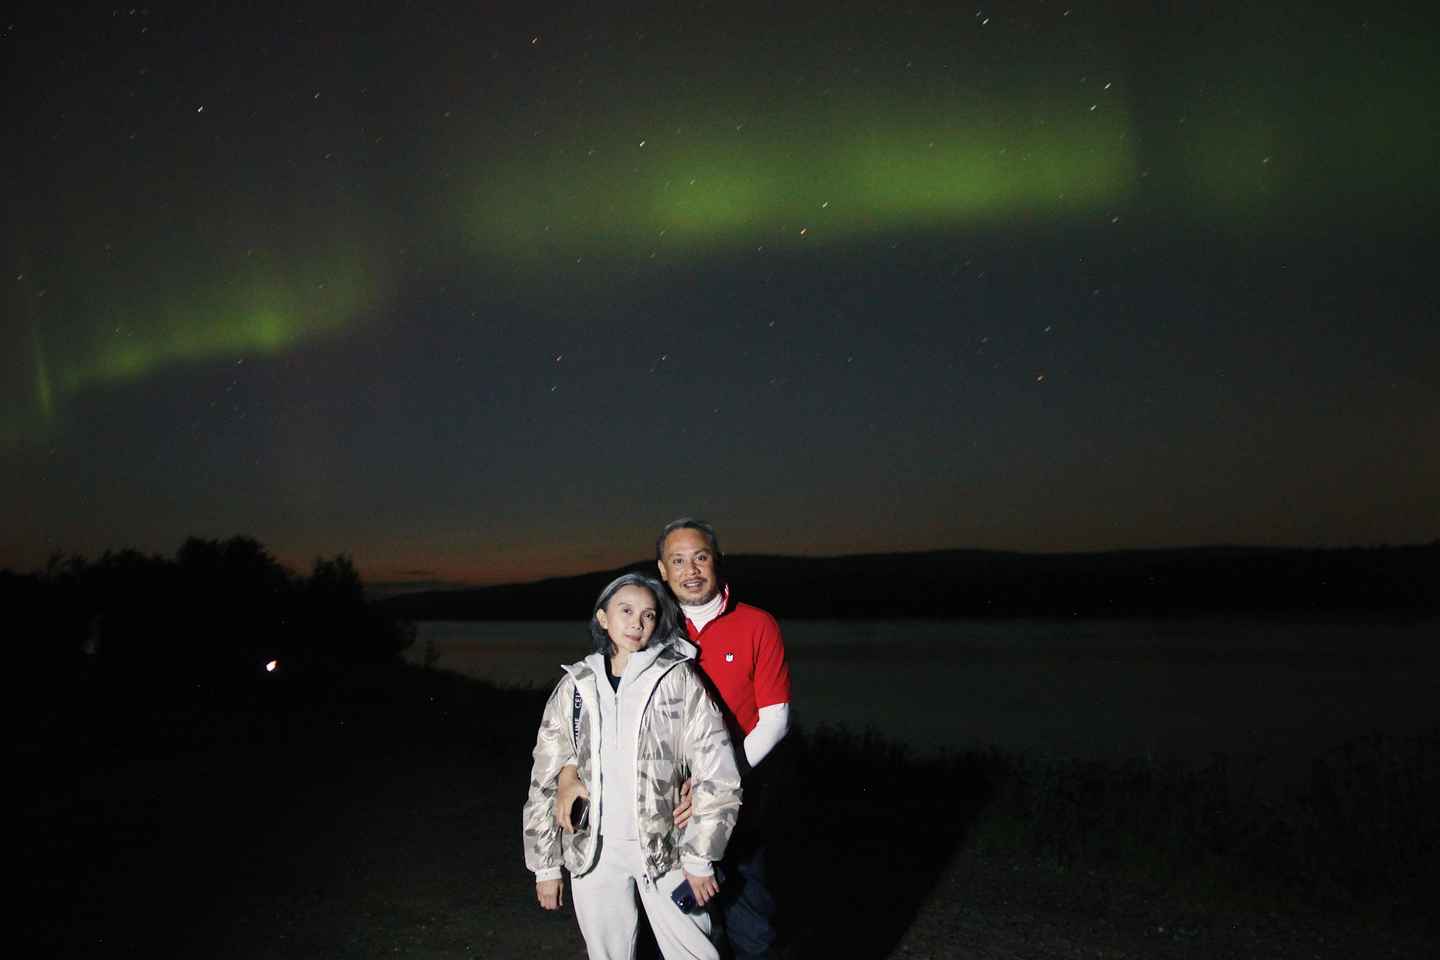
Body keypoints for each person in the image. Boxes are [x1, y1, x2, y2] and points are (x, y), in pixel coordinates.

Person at [558, 519, 791, 960]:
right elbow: (603, 709)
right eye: (678, 561)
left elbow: (775, 720)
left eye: (700, 557)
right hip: (663, 811)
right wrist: (570, 770)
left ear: (716, 561)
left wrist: (710, 782)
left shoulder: (757, 624)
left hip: (737, 798)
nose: (691, 570)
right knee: (673, 927)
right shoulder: (651, 626)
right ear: (663, 571)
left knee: (750, 926)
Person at [523, 573, 743, 960]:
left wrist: (700, 855)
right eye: (625, 611)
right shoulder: (576, 685)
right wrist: (546, 867)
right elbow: (544, 778)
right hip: (594, 852)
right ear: (603, 618)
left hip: (668, 850)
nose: (637, 623)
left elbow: (718, 770)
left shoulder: (678, 679)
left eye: (648, 614)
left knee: (695, 953)